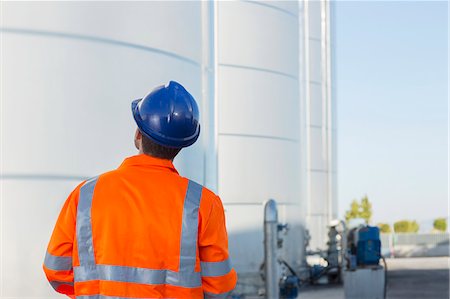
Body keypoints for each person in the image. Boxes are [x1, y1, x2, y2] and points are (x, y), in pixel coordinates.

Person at [43, 81, 238, 299]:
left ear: (138, 134)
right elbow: (219, 287)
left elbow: (55, 269)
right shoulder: (204, 203)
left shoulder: (86, 194)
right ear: (182, 146)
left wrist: (93, 290)